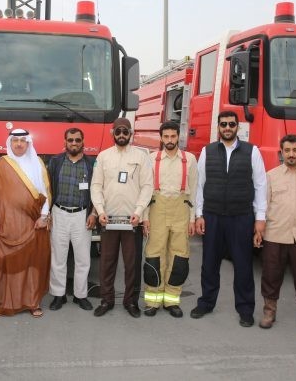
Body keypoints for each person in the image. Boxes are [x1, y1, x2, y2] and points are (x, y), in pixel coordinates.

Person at [191, 110, 267, 327]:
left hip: (241, 216)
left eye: (231, 124)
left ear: (237, 127)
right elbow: (199, 185)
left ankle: (245, 309)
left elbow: (260, 185)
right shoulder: (207, 151)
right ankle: (206, 303)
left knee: (243, 265)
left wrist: (260, 219)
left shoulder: (252, 151)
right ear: (218, 127)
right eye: (223, 124)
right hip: (212, 215)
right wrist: (199, 214)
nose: (227, 128)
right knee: (209, 264)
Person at [0, 129, 51, 317]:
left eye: (23, 140)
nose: (19, 144)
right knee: (8, 264)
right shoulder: (1, 164)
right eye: (15, 141)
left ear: (28, 143)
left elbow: (46, 193)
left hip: (34, 223)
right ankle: (6, 302)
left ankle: (33, 302)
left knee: (32, 264)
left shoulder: (38, 163)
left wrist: (44, 217)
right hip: (8, 223)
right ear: (10, 143)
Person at [90, 118, 153, 318]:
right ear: (113, 133)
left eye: (125, 131)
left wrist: (139, 212)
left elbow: (147, 187)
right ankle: (106, 300)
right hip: (108, 219)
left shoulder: (141, 157)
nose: (122, 135)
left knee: (132, 264)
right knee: (107, 263)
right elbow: (96, 186)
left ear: (131, 133)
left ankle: (131, 302)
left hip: (132, 220)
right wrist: (100, 211)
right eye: (118, 131)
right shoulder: (103, 157)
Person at [258, 134, 296, 334]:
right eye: (287, 150)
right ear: (281, 152)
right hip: (275, 234)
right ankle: (269, 312)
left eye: (295, 150)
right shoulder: (271, 176)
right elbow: (262, 205)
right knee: (271, 275)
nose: (291, 154)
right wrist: (259, 228)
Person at [142, 121, 198, 318]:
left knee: (179, 256)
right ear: (161, 138)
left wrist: (193, 219)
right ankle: (153, 301)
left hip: (181, 209)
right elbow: (145, 190)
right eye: (166, 136)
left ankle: (172, 300)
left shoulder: (189, 159)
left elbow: (194, 190)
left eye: (173, 136)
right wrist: (145, 218)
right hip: (157, 208)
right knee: (154, 255)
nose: (169, 140)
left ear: (178, 137)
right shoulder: (151, 159)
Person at [47, 128, 97, 311]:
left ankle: (80, 295)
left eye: (77, 140)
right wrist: (47, 213)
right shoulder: (55, 162)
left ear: (83, 142)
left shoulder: (91, 164)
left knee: (83, 259)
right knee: (58, 258)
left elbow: (98, 190)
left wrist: (94, 213)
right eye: (70, 140)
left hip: (82, 216)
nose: (74, 143)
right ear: (65, 142)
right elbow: (48, 188)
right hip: (59, 213)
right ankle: (58, 295)